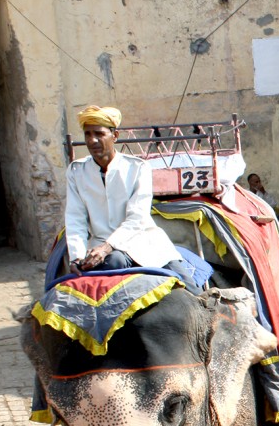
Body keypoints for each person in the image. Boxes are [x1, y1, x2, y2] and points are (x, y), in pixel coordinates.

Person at [65, 105, 202, 292]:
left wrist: (108, 247)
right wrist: (77, 256)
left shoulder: (137, 167)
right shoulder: (76, 171)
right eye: (87, 134)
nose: (92, 140)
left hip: (143, 242)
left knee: (192, 290)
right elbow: (75, 218)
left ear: (115, 136)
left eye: (99, 133)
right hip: (100, 248)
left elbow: (137, 216)